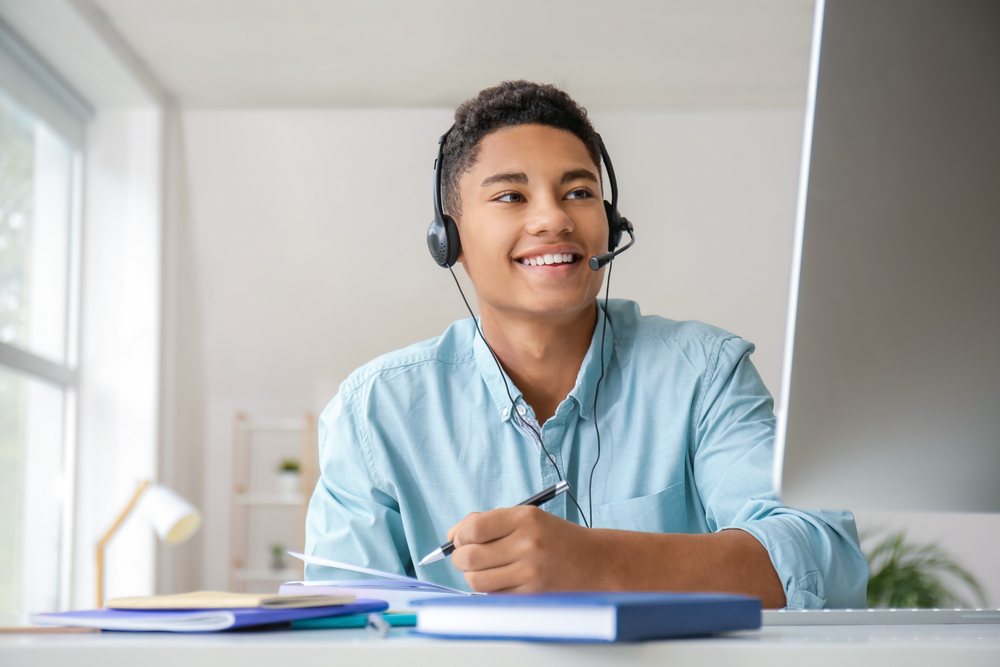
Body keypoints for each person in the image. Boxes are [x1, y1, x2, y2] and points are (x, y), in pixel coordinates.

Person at [305, 81, 868, 609]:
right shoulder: (374, 411)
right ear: (448, 237)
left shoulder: (704, 373)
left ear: (610, 223)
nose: (553, 218)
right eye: (510, 196)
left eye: (578, 192)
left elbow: (826, 559)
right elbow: (341, 629)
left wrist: (597, 560)